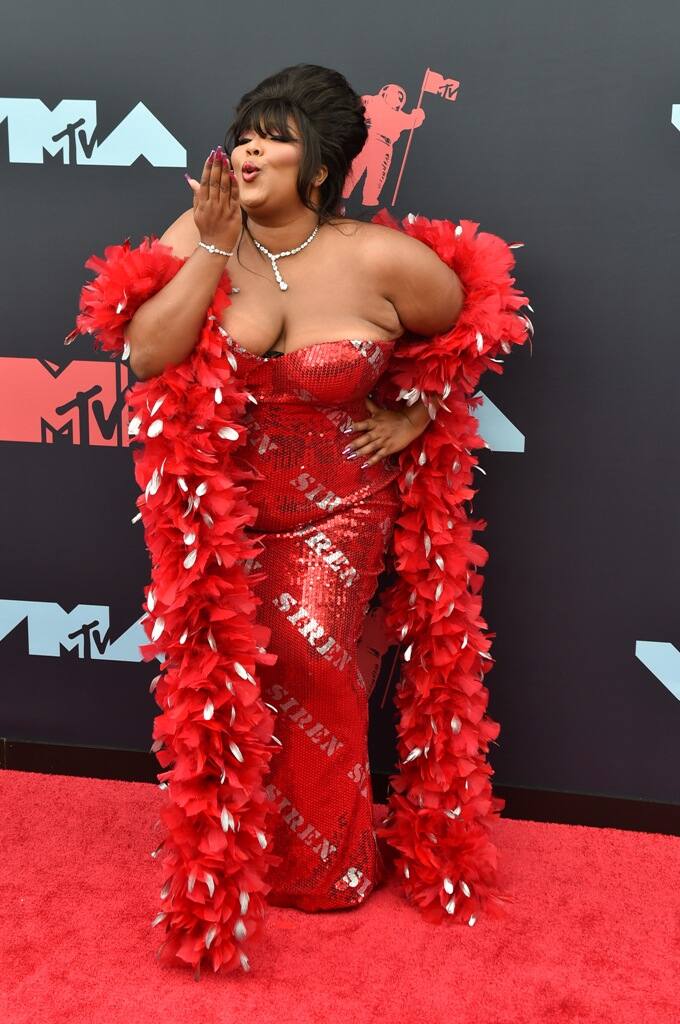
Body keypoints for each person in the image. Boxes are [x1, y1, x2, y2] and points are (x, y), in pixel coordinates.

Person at [66, 63, 532, 978]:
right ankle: (241, 859)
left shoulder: (376, 257)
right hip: (228, 522)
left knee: (314, 661)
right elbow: (148, 354)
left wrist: (420, 411)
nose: (246, 149)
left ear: (319, 167)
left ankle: (326, 870)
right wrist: (206, 250)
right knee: (231, 688)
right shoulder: (201, 236)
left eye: (272, 136)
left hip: (343, 509)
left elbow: (476, 322)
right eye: (243, 132)